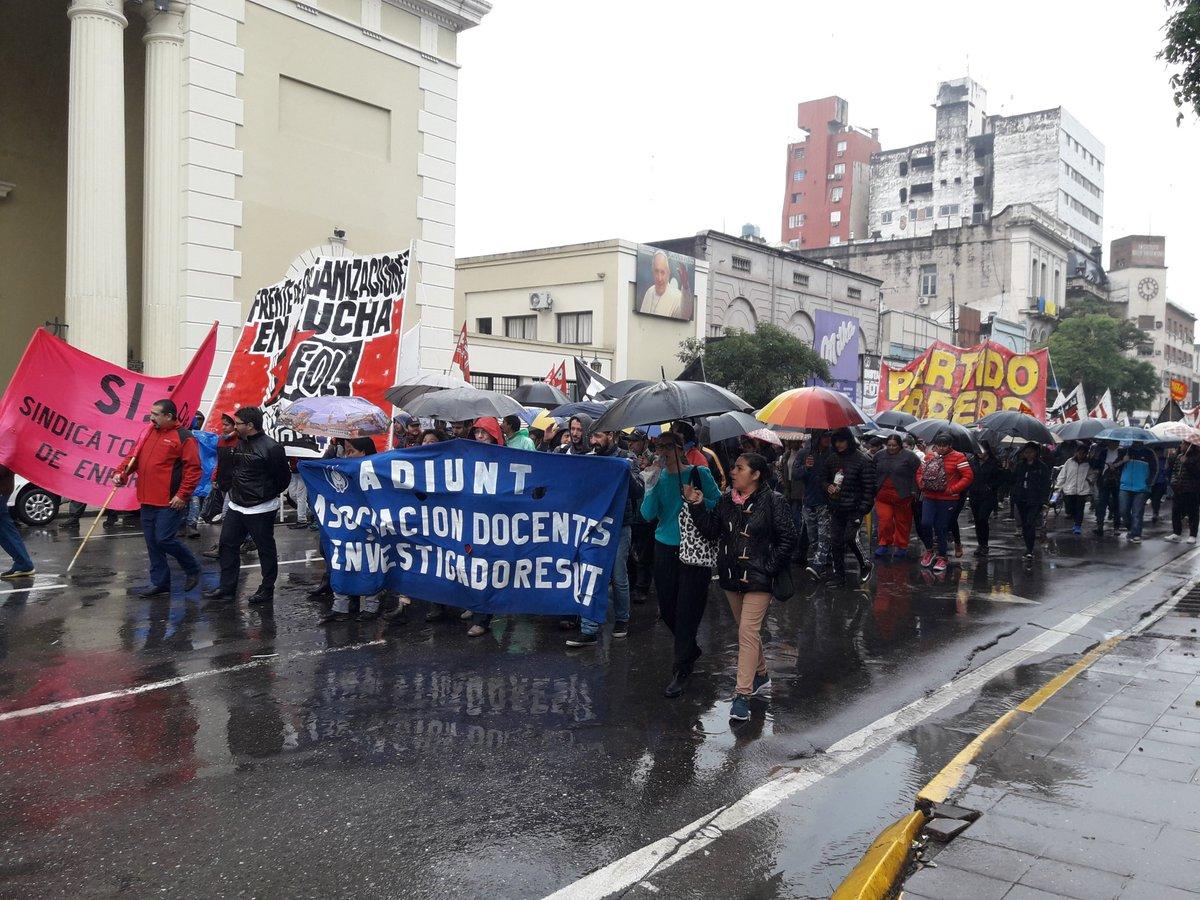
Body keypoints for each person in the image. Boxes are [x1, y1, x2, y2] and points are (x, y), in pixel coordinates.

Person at [684, 453, 796, 721]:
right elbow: (712, 531)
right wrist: (697, 504)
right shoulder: (726, 499)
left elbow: (788, 539)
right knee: (747, 631)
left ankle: (742, 695)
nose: (733, 471)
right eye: (734, 467)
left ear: (756, 474)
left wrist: (767, 568)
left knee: (747, 630)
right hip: (731, 576)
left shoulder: (773, 501)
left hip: (759, 579)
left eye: (739, 468)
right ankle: (761, 675)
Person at [640, 431, 719, 697]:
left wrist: (697, 498)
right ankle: (690, 648)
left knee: (688, 609)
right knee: (668, 608)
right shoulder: (658, 478)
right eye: (657, 446)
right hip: (665, 547)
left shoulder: (699, 474)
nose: (661, 452)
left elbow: (718, 505)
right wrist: (650, 487)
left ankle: (682, 667)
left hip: (694, 550)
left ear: (678, 448)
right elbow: (647, 514)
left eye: (666, 446)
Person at [112, 398, 203, 597]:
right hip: (146, 498)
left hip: (170, 500)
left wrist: (182, 494)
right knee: (152, 542)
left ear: (168, 416)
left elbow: (193, 469)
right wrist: (121, 473)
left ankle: (193, 568)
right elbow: (133, 458)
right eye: (151, 413)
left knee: (164, 539)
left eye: (155, 414)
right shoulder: (147, 432)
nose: (150, 417)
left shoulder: (184, 437)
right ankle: (160, 582)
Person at [202, 407, 291, 605]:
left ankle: (267, 589)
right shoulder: (238, 443)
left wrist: (263, 494)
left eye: (238, 423)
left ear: (250, 425)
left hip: (261, 508)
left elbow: (283, 479)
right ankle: (227, 588)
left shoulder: (272, 447)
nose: (235, 426)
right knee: (227, 545)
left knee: (265, 549)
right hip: (236, 505)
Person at [565, 428, 643, 646]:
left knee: (618, 575)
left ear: (612, 436)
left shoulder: (626, 459)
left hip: (619, 525)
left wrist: (626, 472)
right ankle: (588, 629)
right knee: (590, 572)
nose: (593, 441)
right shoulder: (589, 460)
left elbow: (639, 493)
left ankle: (622, 619)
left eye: (598, 436)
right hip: (593, 525)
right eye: (592, 437)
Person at [319, 438, 389, 623]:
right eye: (345, 451)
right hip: (344, 528)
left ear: (364, 452)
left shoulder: (377, 472)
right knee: (341, 564)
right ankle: (340, 606)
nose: (345, 455)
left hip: (367, 529)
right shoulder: (339, 469)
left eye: (350, 451)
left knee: (369, 565)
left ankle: (371, 605)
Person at [915, 434, 974, 573]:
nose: (941, 448)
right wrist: (921, 484)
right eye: (939, 445)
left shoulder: (958, 457)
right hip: (929, 495)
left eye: (944, 445)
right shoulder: (930, 456)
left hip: (947, 498)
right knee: (925, 523)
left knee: (941, 527)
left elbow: (968, 476)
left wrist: (953, 489)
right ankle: (929, 550)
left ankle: (943, 556)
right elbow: (919, 472)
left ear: (950, 445)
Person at [826, 427, 877, 585]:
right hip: (836, 507)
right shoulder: (832, 459)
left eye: (842, 441)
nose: (839, 444)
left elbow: (869, 488)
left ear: (848, 440)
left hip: (855, 508)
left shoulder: (863, 460)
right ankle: (839, 575)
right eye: (836, 442)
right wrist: (827, 486)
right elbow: (823, 478)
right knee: (835, 541)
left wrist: (862, 509)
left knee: (850, 538)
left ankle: (865, 564)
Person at [873, 434, 919, 559]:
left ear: (900, 445)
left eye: (894, 445)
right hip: (882, 495)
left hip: (903, 495)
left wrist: (914, 490)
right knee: (885, 521)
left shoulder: (910, 456)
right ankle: (884, 543)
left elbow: (917, 473)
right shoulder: (879, 455)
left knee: (903, 522)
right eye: (889, 445)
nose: (891, 448)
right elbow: (872, 471)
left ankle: (901, 546)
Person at [796, 431, 834, 580]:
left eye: (830, 436)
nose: (828, 439)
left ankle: (818, 566)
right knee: (813, 537)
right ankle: (825, 561)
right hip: (808, 501)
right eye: (825, 436)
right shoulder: (804, 453)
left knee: (824, 535)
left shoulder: (832, 453)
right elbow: (796, 475)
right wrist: (806, 468)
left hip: (826, 501)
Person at [1010, 442, 1053, 559]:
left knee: (1030, 522)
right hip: (1021, 498)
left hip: (1035, 499)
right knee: (1024, 524)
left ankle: (1030, 549)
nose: (1028, 455)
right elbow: (1012, 480)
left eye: (1031, 452)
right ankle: (1028, 546)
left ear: (1036, 453)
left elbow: (1046, 484)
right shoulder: (1020, 465)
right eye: (1026, 452)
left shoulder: (1042, 467)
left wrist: (1044, 500)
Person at [968, 441, 1007, 557]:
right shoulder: (972, 462)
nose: (980, 453)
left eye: (982, 450)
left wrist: (990, 486)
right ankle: (980, 544)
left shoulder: (994, 463)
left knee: (982, 518)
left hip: (988, 496)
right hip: (975, 495)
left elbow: (1000, 479)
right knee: (977, 520)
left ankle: (984, 544)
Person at [1115, 441, 1156, 543]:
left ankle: (1136, 533)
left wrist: (1149, 482)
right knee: (1123, 510)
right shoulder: (1125, 451)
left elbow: (1155, 469)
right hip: (1125, 486)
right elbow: (1115, 466)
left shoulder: (1149, 453)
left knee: (1137, 512)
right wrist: (1123, 461)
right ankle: (1131, 529)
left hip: (1141, 488)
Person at [0, 464, 36, 579]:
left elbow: (3, 468)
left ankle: (23, 564)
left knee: (4, 529)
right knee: (4, 529)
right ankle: (23, 563)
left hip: (1, 490)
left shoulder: (5, 447)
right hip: (3, 489)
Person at [1055, 444, 1095, 535]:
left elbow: (1093, 474)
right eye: (1079, 452)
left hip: (1082, 490)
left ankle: (1077, 525)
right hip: (1069, 489)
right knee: (1069, 508)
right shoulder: (1069, 462)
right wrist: (1058, 486)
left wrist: (1089, 480)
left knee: (1080, 508)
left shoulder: (1088, 463)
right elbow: (1063, 474)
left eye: (1083, 453)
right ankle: (1074, 517)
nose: (1080, 455)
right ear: (1076, 453)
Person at [1167, 442, 1200, 543]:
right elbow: (1174, 471)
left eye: (1184, 444)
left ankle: (1193, 535)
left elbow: (1198, 473)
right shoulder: (1179, 456)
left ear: (1190, 446)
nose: (1181, 446)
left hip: (1192, 489)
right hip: (1178, 489)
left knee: (1192, 512)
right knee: (1176, 511)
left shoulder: (1197, 457)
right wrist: (1173, 482)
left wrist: (1187, 463)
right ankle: (1176, 533)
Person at [640, 249, 684, 318]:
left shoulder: (677, 296)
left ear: (668, 273)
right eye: (656, 271)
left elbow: (685, 315)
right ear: (652, 272)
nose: (659, 278)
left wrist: (686, 288)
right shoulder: (649, 291)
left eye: (662, 272)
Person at [1090, 441, 1122, 535]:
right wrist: (1092, 458)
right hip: (1104, 481)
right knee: (1101, 504)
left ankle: (1116, 527)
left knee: (1116, 504)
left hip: (1117, 481)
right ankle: (1100, 526)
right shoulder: (1103, 452)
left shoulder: (1122, 452)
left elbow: (1124, 465)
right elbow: (1095, 465)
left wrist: (1115, 466)